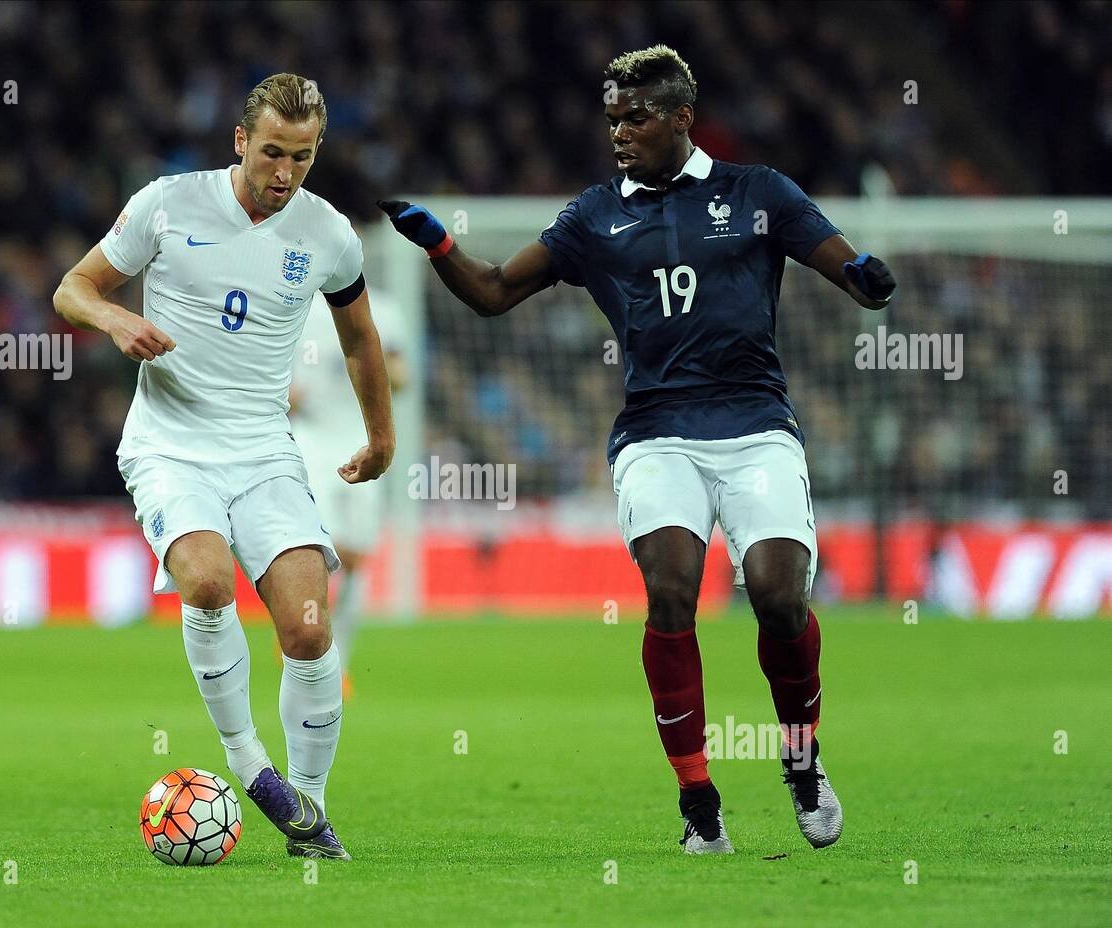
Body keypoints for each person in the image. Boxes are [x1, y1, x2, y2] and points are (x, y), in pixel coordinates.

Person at [378, 45, 895, 854]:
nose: (620, 132)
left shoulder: (757, 193)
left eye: (637, 117)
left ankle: (800, 758)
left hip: (756, 423)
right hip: (656, 431)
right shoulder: (593, 218)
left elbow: (844, 266)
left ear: (682, 117)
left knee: (778, 594)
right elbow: (493, 293)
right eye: (612, 117)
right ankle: (698, 801)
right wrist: (441, 245)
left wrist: (864, 274)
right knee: (671, 589)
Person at [53, 73, 396, 861]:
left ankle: (310, 811)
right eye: (272, 152)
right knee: (207, 582)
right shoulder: (166, 205)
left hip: (263, 448)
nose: (284, 173)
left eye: (303, 157)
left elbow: (359, 339)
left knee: (309, 629)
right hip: (171, 445)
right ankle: (249, 762)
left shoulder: (327, 233)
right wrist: (115, 317)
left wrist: (381, 437)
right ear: (240, 140)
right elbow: (73, 287)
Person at [289, 270, 409, 697]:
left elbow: (401, 377)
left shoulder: (385, 309)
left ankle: (338, 662)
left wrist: (373, 365)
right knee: (314, 551)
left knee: (356, 559)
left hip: (362, 440)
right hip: (311, 441)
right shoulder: (299, 303)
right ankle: (305, 641)